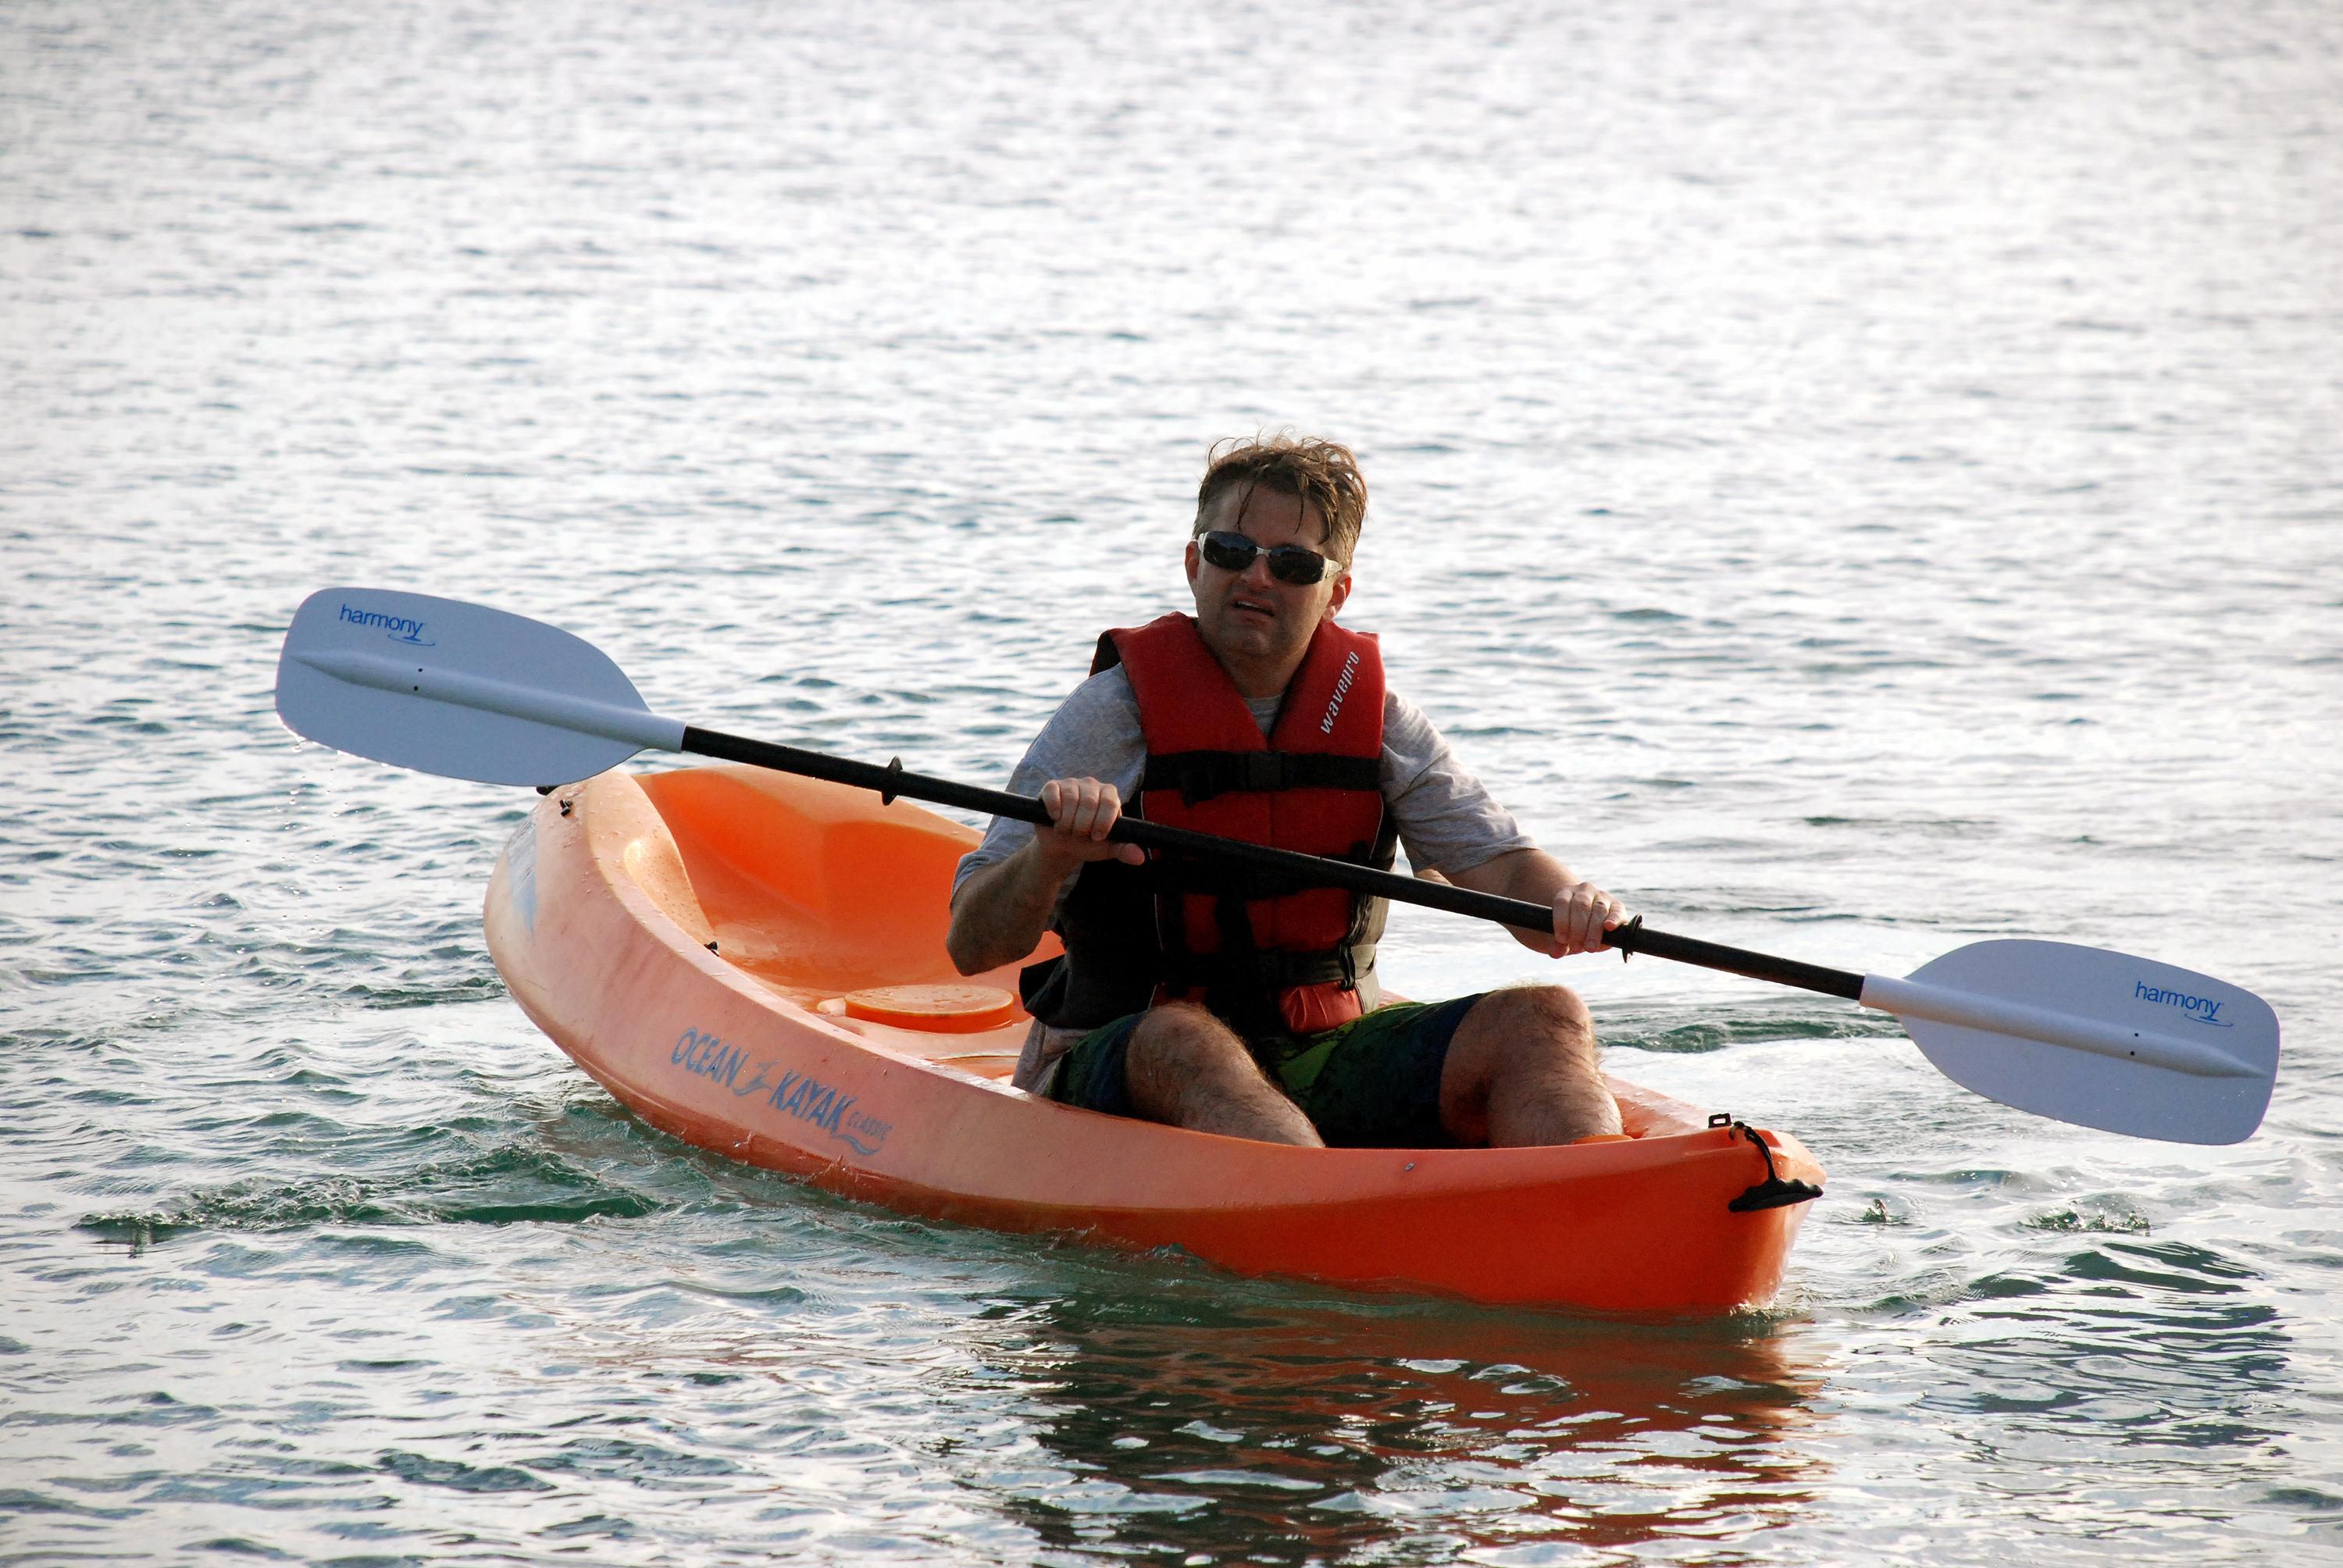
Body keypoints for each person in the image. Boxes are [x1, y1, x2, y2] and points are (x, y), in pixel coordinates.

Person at [946, 435, 1628, 1149]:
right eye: (1232, 551)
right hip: (1129, 1054)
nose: (1258, 578)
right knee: (1188, 1039)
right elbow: (972, 942)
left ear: (1335, 592)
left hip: (1319, 1049)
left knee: (1547, 1017)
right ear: (1193, 564)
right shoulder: (1112, 714)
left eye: (1294, 564)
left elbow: (1510, 875)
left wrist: (1572, 903)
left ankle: (1599, 1207)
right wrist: (1050, 856)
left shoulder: (1379, 720)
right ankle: (1312, 1212)